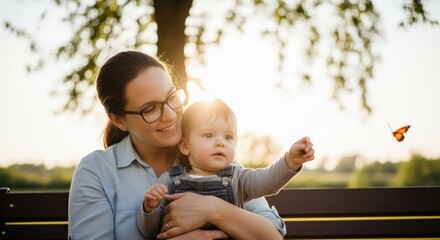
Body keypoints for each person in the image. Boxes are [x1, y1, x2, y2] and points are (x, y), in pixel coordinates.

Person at [68, 51, 292, 240]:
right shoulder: (96, 171)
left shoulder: (209, 157)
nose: (169, 115)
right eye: (150, 109)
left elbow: (272, 235)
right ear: (118, 120)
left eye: (171, 97)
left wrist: (213, 210)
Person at [139, 99, 315, 238]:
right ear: (185, 146)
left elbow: (267, 181)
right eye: (208, 135)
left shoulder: (238, 178)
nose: (220, 142)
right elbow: (150, 231)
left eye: (228, 137)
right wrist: (150, 209)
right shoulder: (168, 180)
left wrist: (290, 161)